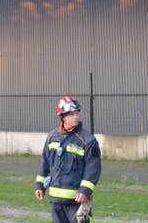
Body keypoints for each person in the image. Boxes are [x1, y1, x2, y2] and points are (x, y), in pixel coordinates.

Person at [34, 95, 101, 223]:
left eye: (76, 113)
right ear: (63, 116)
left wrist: (85, 191)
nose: (75, 117)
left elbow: (93, 169)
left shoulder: (88, 141)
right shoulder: (52, 137)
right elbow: (45, 164)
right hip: (56, 202)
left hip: (77, 201)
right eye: (71, 114)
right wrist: (40, 186)